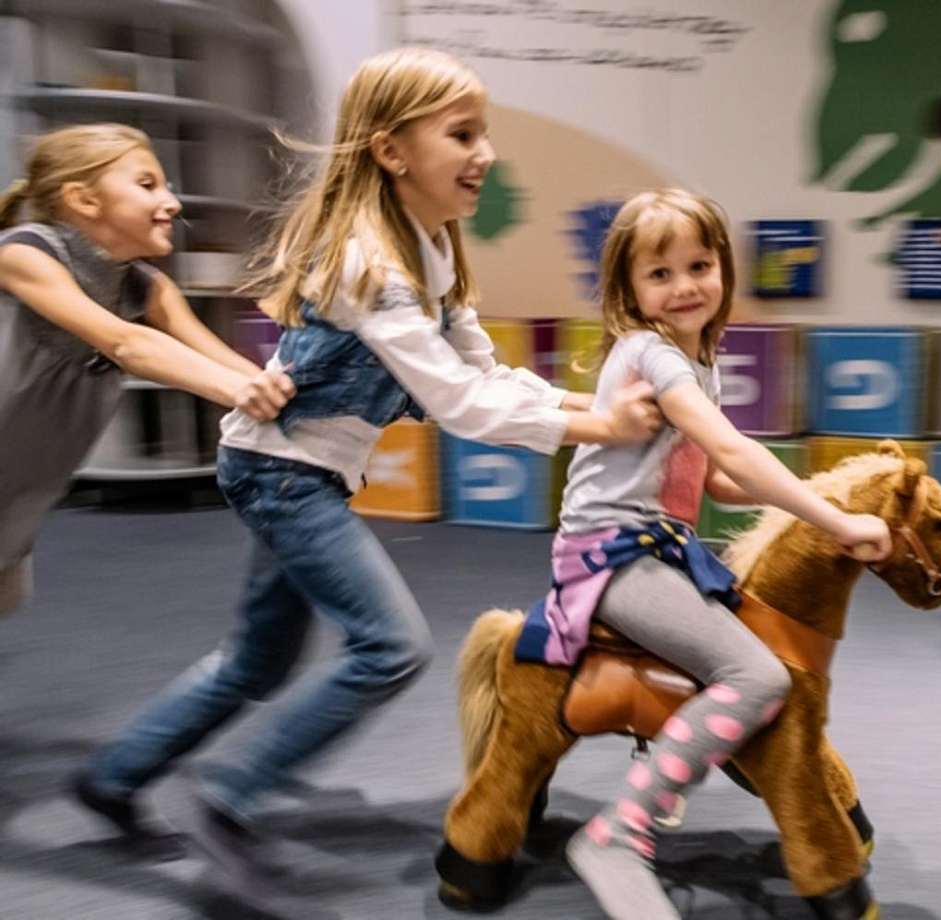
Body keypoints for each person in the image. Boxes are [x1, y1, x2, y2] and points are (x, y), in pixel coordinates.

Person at [76, 48, 662, 890]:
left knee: (257, 662)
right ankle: (225, 795)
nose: (485, 153)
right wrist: (595, 425)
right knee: (390, 648)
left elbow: (482, 374)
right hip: (281, 472)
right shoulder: (368, 262)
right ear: (392, 151)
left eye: (484, 132)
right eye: (462, 134)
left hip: (292, 470)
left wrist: (587, 417)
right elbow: (455, 403)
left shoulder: (430, 250)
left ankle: (114, 776)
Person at [514, 189, 891, 920]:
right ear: (627, 288)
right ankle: (619, 834)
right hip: (613, 555)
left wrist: (796, 510)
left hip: (663, 547)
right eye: (660, 274)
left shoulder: (698, 358)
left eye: (699, 264)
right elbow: (729, 451)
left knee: (753, 634)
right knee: (756, 674)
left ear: (723, 266)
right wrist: (832, 519)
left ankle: (661, 767)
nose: (685, 285)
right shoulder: (654, 355)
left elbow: (713, 475)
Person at [0, 123, 294, 619]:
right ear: (83, 200)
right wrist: (246, 392)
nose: (172, 203)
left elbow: (218, 356)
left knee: (8, 597)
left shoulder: (148, 288)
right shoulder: (24, 253)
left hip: (21, 494)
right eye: (147, 185)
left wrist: (286, 392)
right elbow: (125, 342)